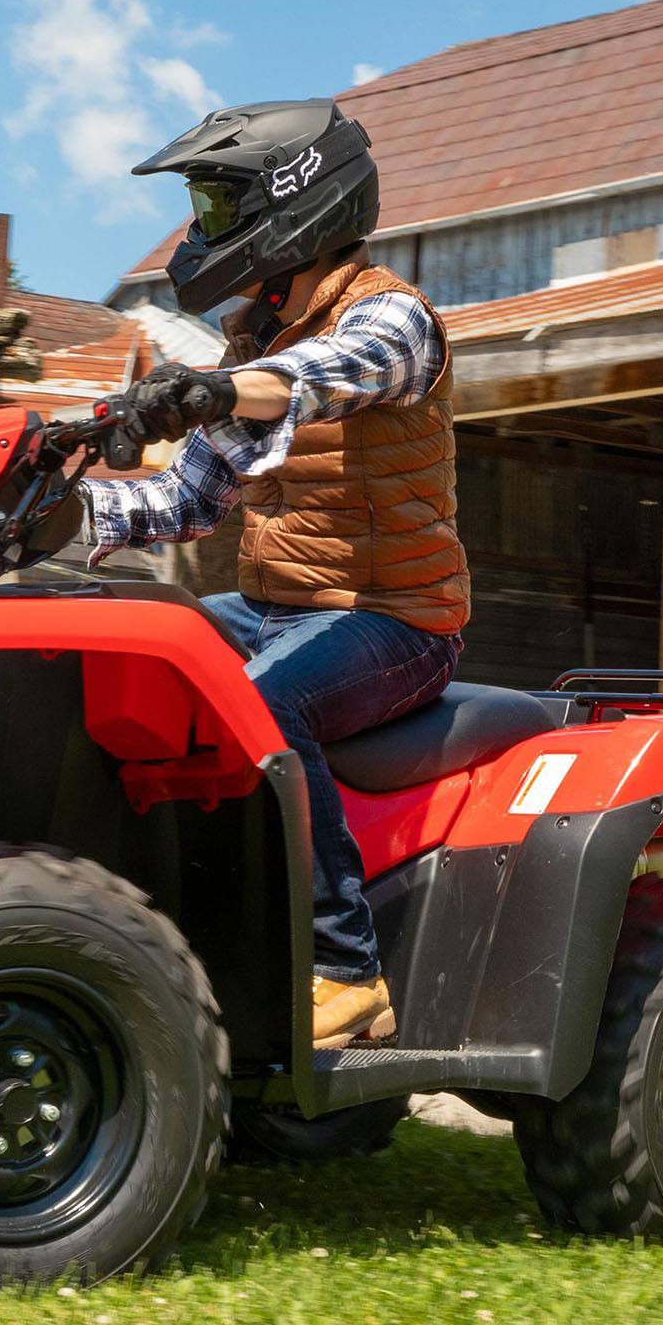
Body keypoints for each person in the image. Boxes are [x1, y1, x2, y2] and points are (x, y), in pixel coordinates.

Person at [80, 99, 470, 1049]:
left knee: (262, 703)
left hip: (398, 619)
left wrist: (212, 387)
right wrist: (59, 504)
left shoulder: (392, 318)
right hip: (274, 607)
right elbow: (185, 499)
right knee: (127, 650)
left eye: (217, 207)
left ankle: (346, 972)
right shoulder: (258, 340)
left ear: (295, 205)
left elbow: (329, 375)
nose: (200, 232)